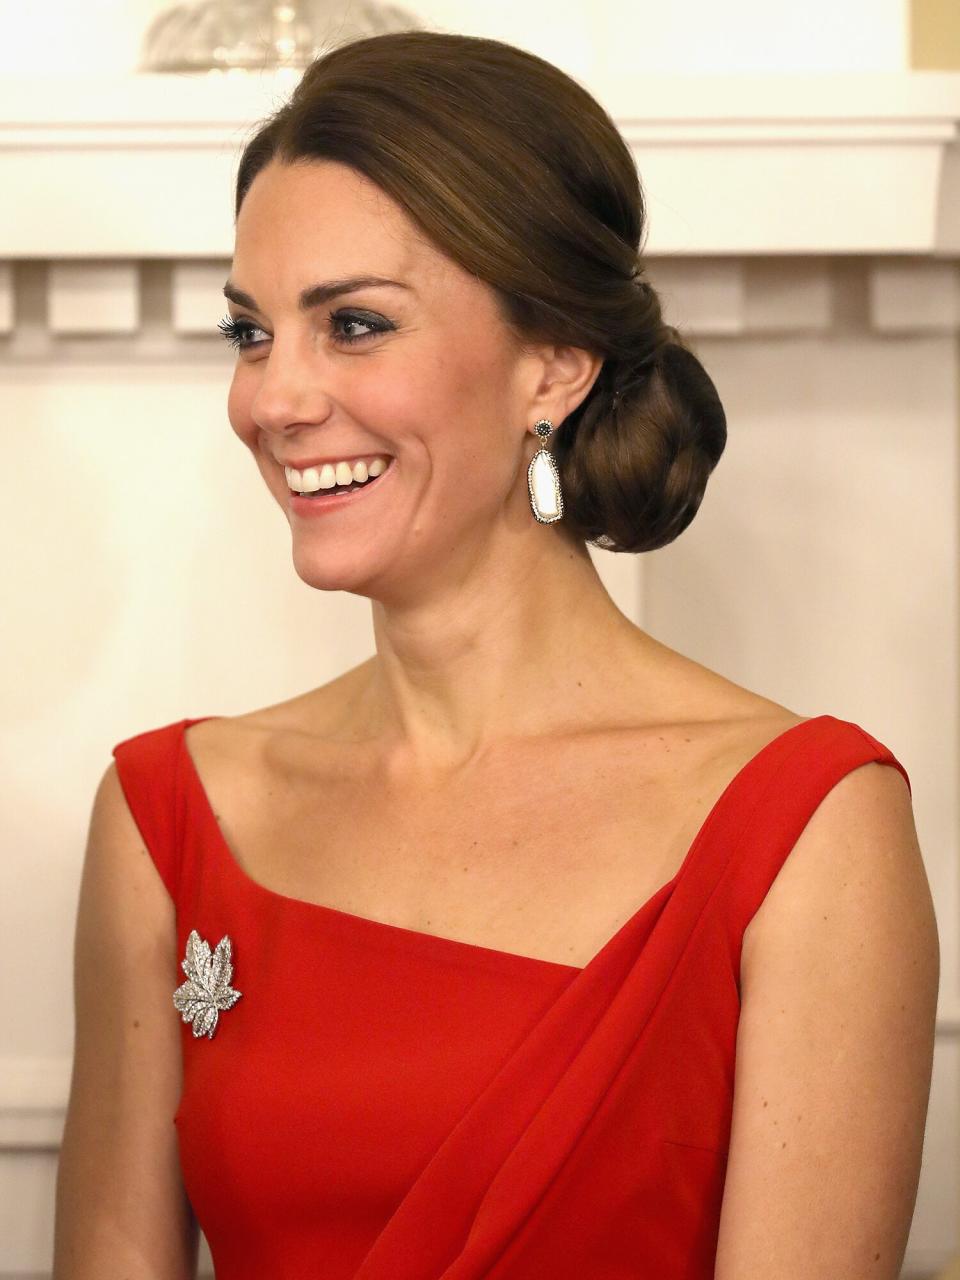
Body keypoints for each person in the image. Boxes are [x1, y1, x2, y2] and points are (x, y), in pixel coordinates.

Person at [53, 30, 939, 1280]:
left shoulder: (806, 830)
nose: (272, 399)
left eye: (353, 324)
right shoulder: (167, 816)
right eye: (250, 332)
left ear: (555, 364)